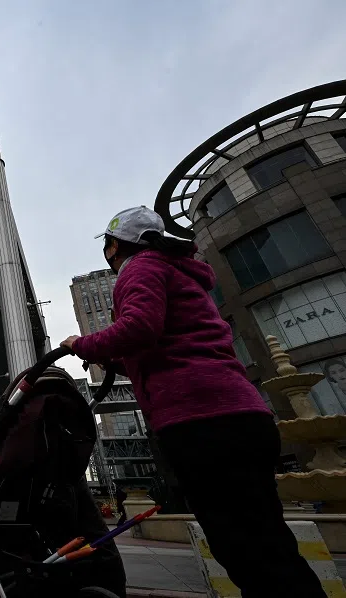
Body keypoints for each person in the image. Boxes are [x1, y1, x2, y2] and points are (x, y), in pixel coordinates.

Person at [61, 206, 325, 597]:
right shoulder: (176, 271)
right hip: (240, 413)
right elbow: (159, 346)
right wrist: (104, 354)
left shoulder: (140, 267)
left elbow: (139, 328)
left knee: (243, 546)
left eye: (108, 245)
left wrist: (79, 343)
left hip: (202, 419)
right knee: (265, 539)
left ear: (114, 245)